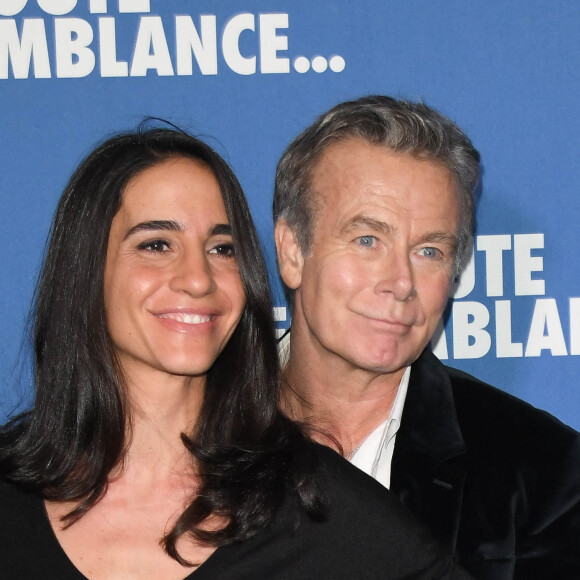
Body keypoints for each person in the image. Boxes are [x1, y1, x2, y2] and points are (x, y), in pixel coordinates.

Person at [0, 126, 470, 579]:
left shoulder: (315, 501)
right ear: (85, 271)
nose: (198, 278)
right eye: (157, 244)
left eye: (222, 248)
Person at [273, 95, 580, 580]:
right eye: (367, 240)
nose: (400, 282)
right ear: (292, 250)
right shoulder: (187, 434)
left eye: (429, 251)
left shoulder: (542, 472)